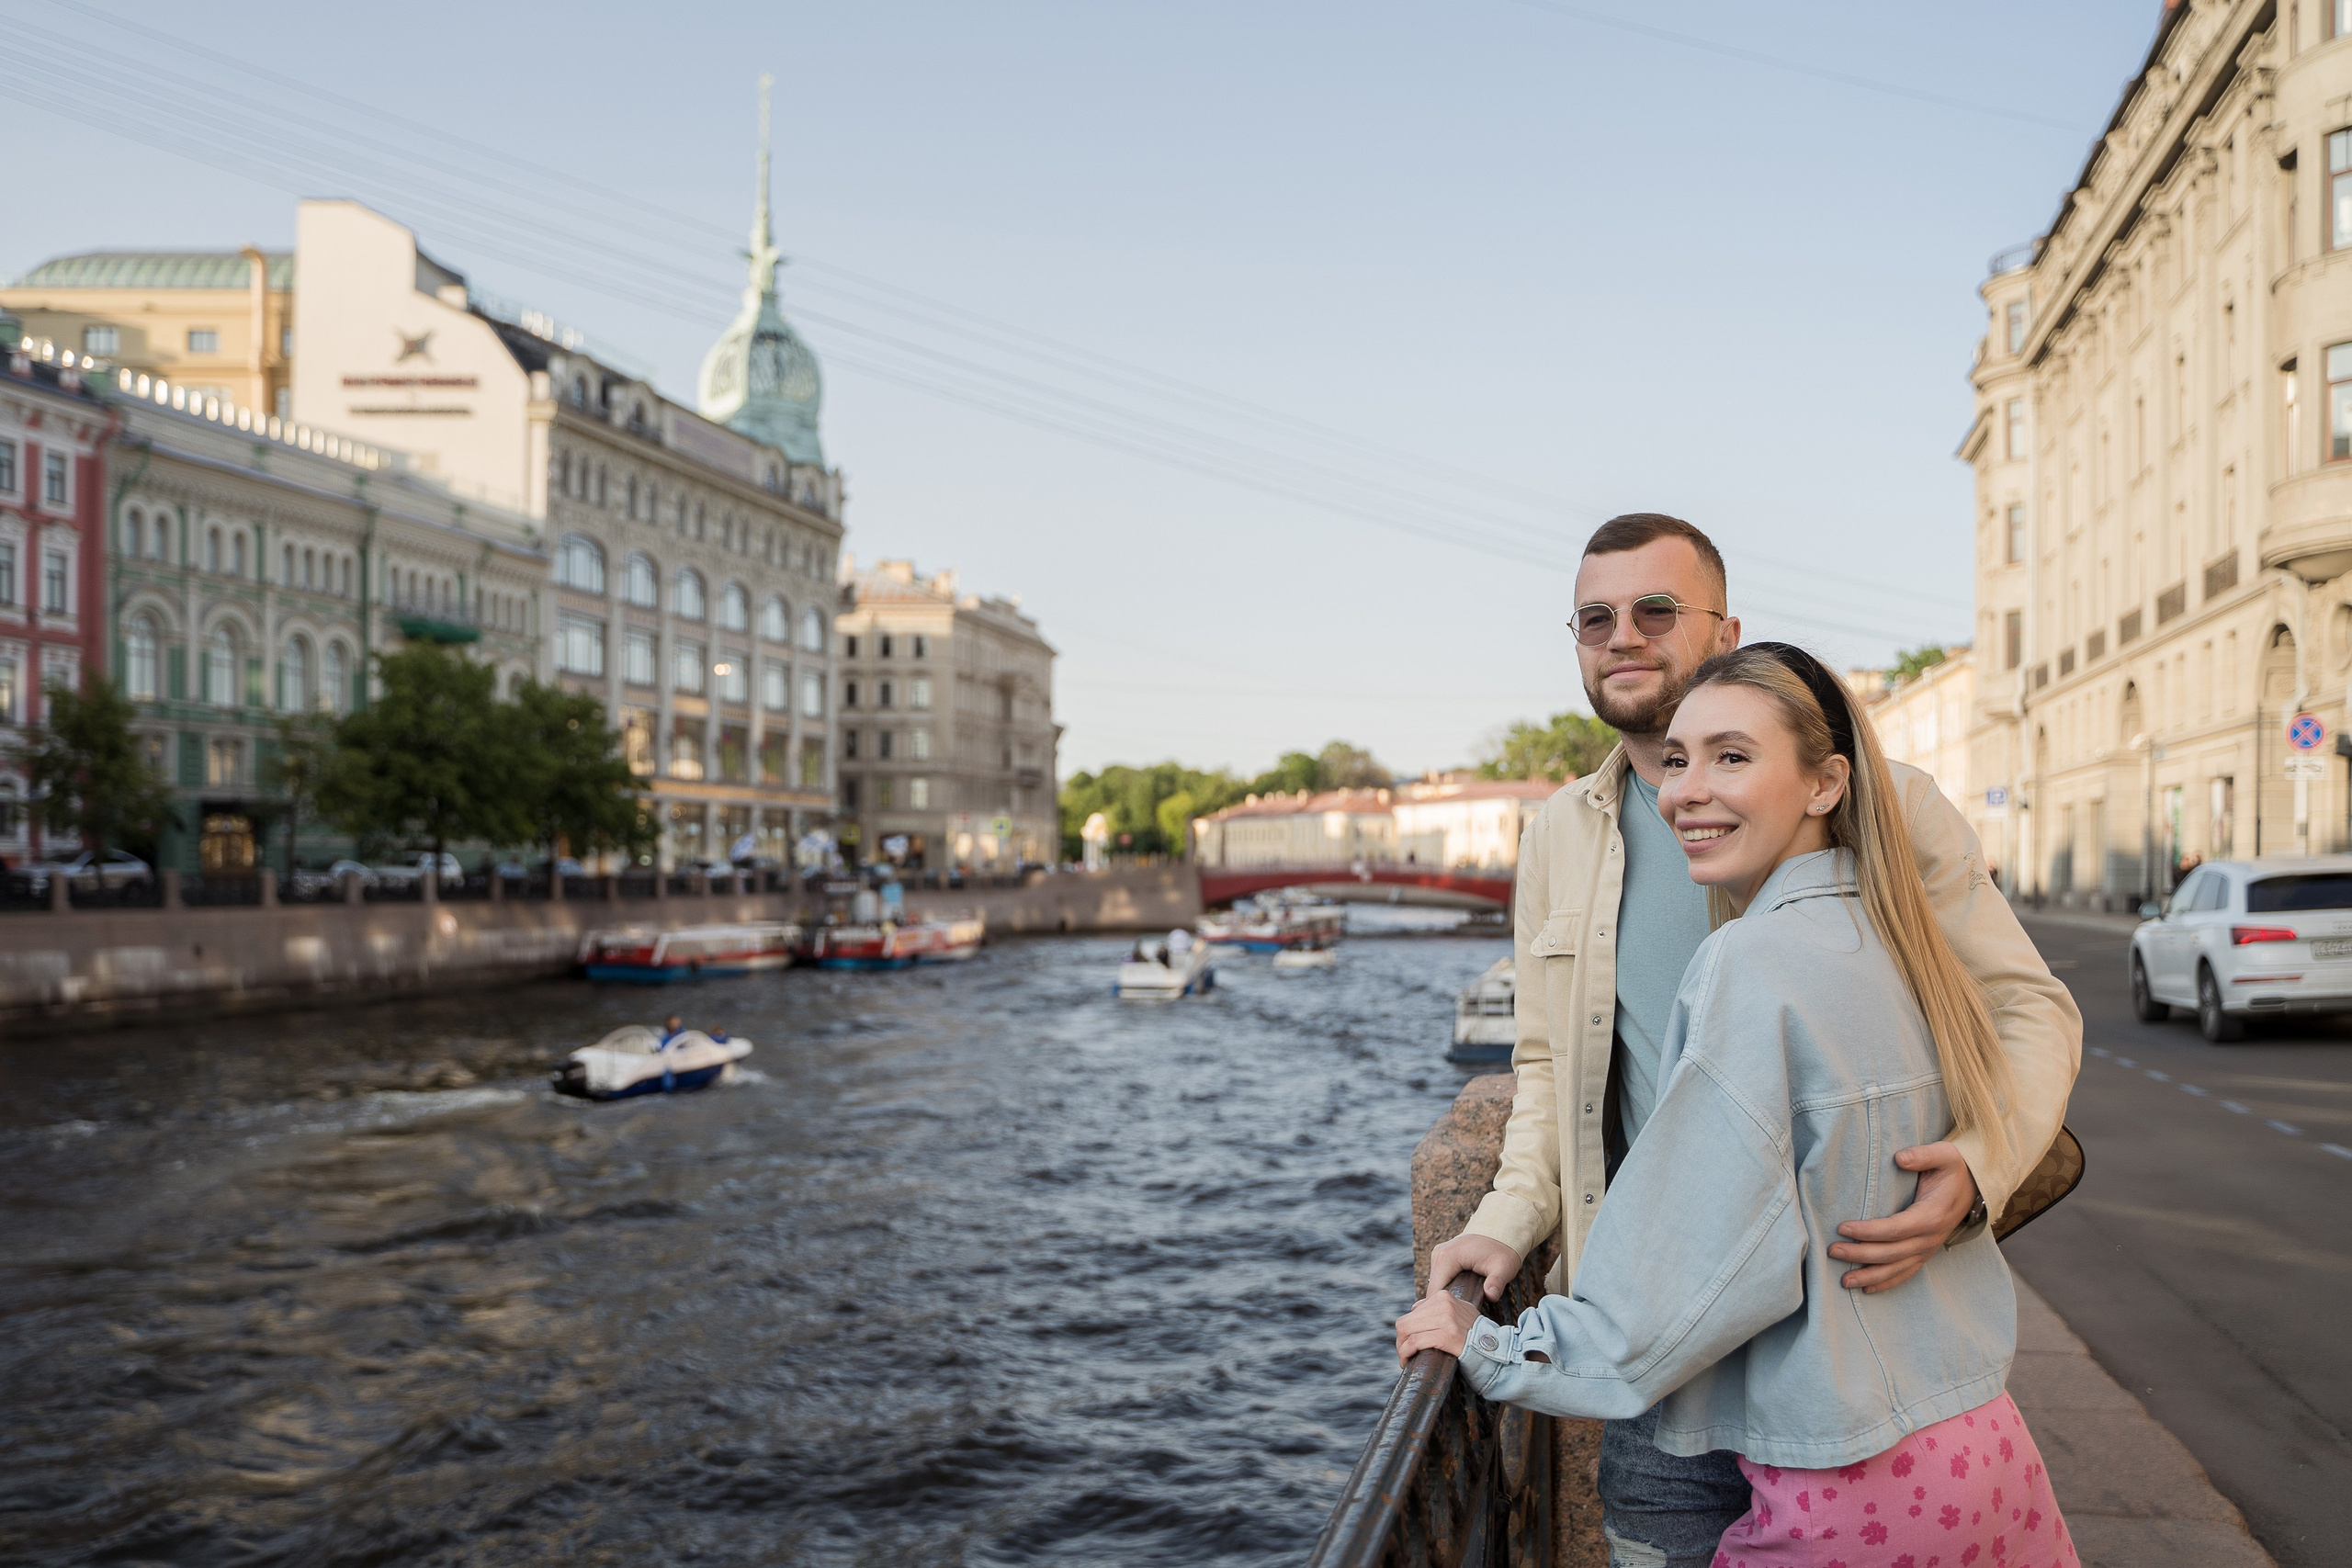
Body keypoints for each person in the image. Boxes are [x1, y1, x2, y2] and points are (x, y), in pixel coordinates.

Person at [1423, 514, 2079, 1567]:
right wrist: (1507, 1223)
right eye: (1594, 618)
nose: (1622, 636)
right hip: (1663, 1354)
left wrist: (1980, 1165)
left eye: (1655, 611)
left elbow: (2026, 1008)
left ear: (1724, 628)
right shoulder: (1556, 834)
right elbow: (1547, 1068)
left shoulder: (1888, 801)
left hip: (1846, 1349)